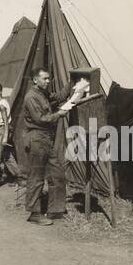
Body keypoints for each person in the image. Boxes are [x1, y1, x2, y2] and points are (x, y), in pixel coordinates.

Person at [21, 68, 83, 225]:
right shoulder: (31, 97)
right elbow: (40, 119)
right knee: (36, 177)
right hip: (36, 138)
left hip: (47, 139)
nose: (48, 81)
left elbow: (60, 96)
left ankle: (55, 210)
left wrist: (72, 82)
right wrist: (59, 114)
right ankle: (34, 213)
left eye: (49, 78)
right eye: (45, 79)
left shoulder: (44, 94)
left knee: (58, 173)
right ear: (35, 80)